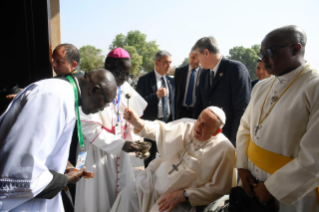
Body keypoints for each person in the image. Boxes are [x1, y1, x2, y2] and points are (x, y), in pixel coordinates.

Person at [0, 69, 117, 211]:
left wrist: (63, 163)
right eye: (104, 103)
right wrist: (65, 179)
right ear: (94, 90)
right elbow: (21, 169)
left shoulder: (65, 94)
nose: (101, 109)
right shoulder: (54, 96)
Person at [236, 25, 319, 212]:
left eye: (270, 52)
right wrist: (242, 167)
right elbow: (245, 128)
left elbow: (314, 156)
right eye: (261, 53)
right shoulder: (260, 87)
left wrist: (274, 188)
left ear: (296, 49)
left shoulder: (315, 87)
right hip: (251, 185)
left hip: (293, 195)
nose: (263, 59)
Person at [111, 106, 236, 212]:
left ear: (216, 131)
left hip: (181, 199)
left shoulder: (224, 150)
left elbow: (218, 188)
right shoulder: (187, 125)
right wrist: (138, 123)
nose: (198, 126)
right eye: (199, 120)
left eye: (205, 125)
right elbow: (160, 130)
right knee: (127, 196)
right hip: (154, 181)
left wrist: (184, 195)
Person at [74, 47, 147, 212]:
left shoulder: (125, 87)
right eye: (121, 74)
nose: (124, 79)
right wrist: (122, 144)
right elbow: (88, 128)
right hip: (94, 151)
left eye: (128, 74)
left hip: (120, 151)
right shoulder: (92, 86)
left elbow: (131, 122)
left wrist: (133, 141)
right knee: (95, 198)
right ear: (108, 67)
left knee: (124, 196)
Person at [193, 37, 251, 145]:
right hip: (207, 139)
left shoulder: (236, 70)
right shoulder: (204, 74)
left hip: (227, 140)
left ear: (206, 53)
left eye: (197, 55)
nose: (196, 60)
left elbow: (242, 110)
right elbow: (199, 106)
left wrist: (234, 144)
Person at [136, 50, 175, 167]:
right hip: (151, 123)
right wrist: (156, 96)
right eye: (166, 63)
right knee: (150, 156)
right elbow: (139, 102)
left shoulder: (171, 81)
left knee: (167, 155)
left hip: (168, 124)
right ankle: (148, 181)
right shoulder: (144, 80)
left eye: (170, 63)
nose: (169, 66)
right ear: (157, 63)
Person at [174, 46, 203, 119]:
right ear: (189, 56)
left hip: (197, 112)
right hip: (180, 110)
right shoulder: (179, 71)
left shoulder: (206, 73)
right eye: (193, 57)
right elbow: (175, 91)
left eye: (198, 58)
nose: (195, 61)